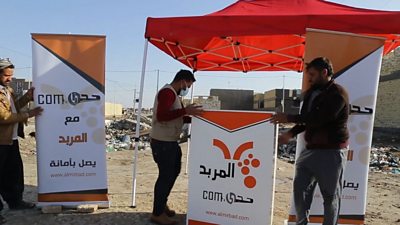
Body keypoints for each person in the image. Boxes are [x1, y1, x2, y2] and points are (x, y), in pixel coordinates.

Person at [271, 57, 349, 225]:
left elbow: (320, 119)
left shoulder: (338, 94)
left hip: (331, 153)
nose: (310, 78)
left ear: (324, 72)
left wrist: (288, 117)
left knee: (330, 197)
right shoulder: (312, 93)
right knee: (300, 191)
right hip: (310, 151)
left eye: (312, 74)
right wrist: (290, 133)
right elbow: (306, 121)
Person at [149, 69, 203, 225]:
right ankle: (157, 214)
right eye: (189, 85)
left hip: (169, 141)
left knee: (173, 173)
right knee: (166, 176)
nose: (188, 89)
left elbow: (175, 116)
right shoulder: (168, 93)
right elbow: (162, 116)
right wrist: (186, 111)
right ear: (183, 81)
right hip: (163, 142)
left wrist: (194, 118)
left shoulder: (173, 94)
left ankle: (161, 204)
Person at [0, 58, 43, 224]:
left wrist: (27, 97)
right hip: (1, 141)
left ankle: (15, 202)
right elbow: (3, 116)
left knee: (14, 173)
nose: (9, 78)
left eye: (11, 75)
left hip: (11, 140)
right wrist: (29, 115)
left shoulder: (7, 90)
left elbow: (14, 107)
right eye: (6, 75)